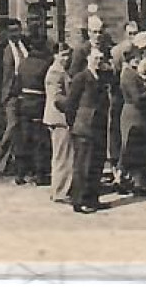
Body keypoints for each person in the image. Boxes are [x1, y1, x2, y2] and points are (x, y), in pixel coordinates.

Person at [61, 48, 114, 214]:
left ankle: (93, 199)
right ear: (88, 59)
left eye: (101, 57)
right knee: (82, 165)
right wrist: (74, 124)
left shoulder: (102, 78)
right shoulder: (81, 78)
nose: (99, 61)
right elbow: (70, 104)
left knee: (96, 164)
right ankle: (78, 200)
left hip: (99, 127)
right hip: (84, 127)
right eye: (96, 58)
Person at [0, 18, 32, 175]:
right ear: (6, 33)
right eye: (12, 31)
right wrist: (0, 96)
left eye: (18, 30)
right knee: (12, 125)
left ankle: (12, 165)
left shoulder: (26, 45)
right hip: (11, 94)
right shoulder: (2, 50)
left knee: (24, 129)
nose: (16, 34)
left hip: (26, 93)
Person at [117, 45, 146, 193]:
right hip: (133, 114)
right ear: (129, 59)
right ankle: (130, 181)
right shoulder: (128, 75)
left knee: (135, 148)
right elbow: (136, 98)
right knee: (132, 147)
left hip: (135, 113)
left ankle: (134, 180)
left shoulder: (131, 73)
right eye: (135, 59)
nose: (138, 61)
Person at [13, 41, 53, 185]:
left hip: (24, 104)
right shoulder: (45, 65)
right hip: (38, 103)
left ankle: (20, 173)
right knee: (40, 141)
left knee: (24, 139)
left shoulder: (23, 64)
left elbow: (16, 86)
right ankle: (40, 174)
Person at [42, 44, 75, 204]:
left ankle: (58, 189)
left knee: (62, 155)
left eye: (68, 55)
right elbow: (57, 98)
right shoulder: (55, 72)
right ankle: (60, 192)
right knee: (62, 156)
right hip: (59, 118)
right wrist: (72, 103)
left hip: (59, 118)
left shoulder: (61, 71)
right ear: (55, 55)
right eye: (62, 55)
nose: (66, 58)